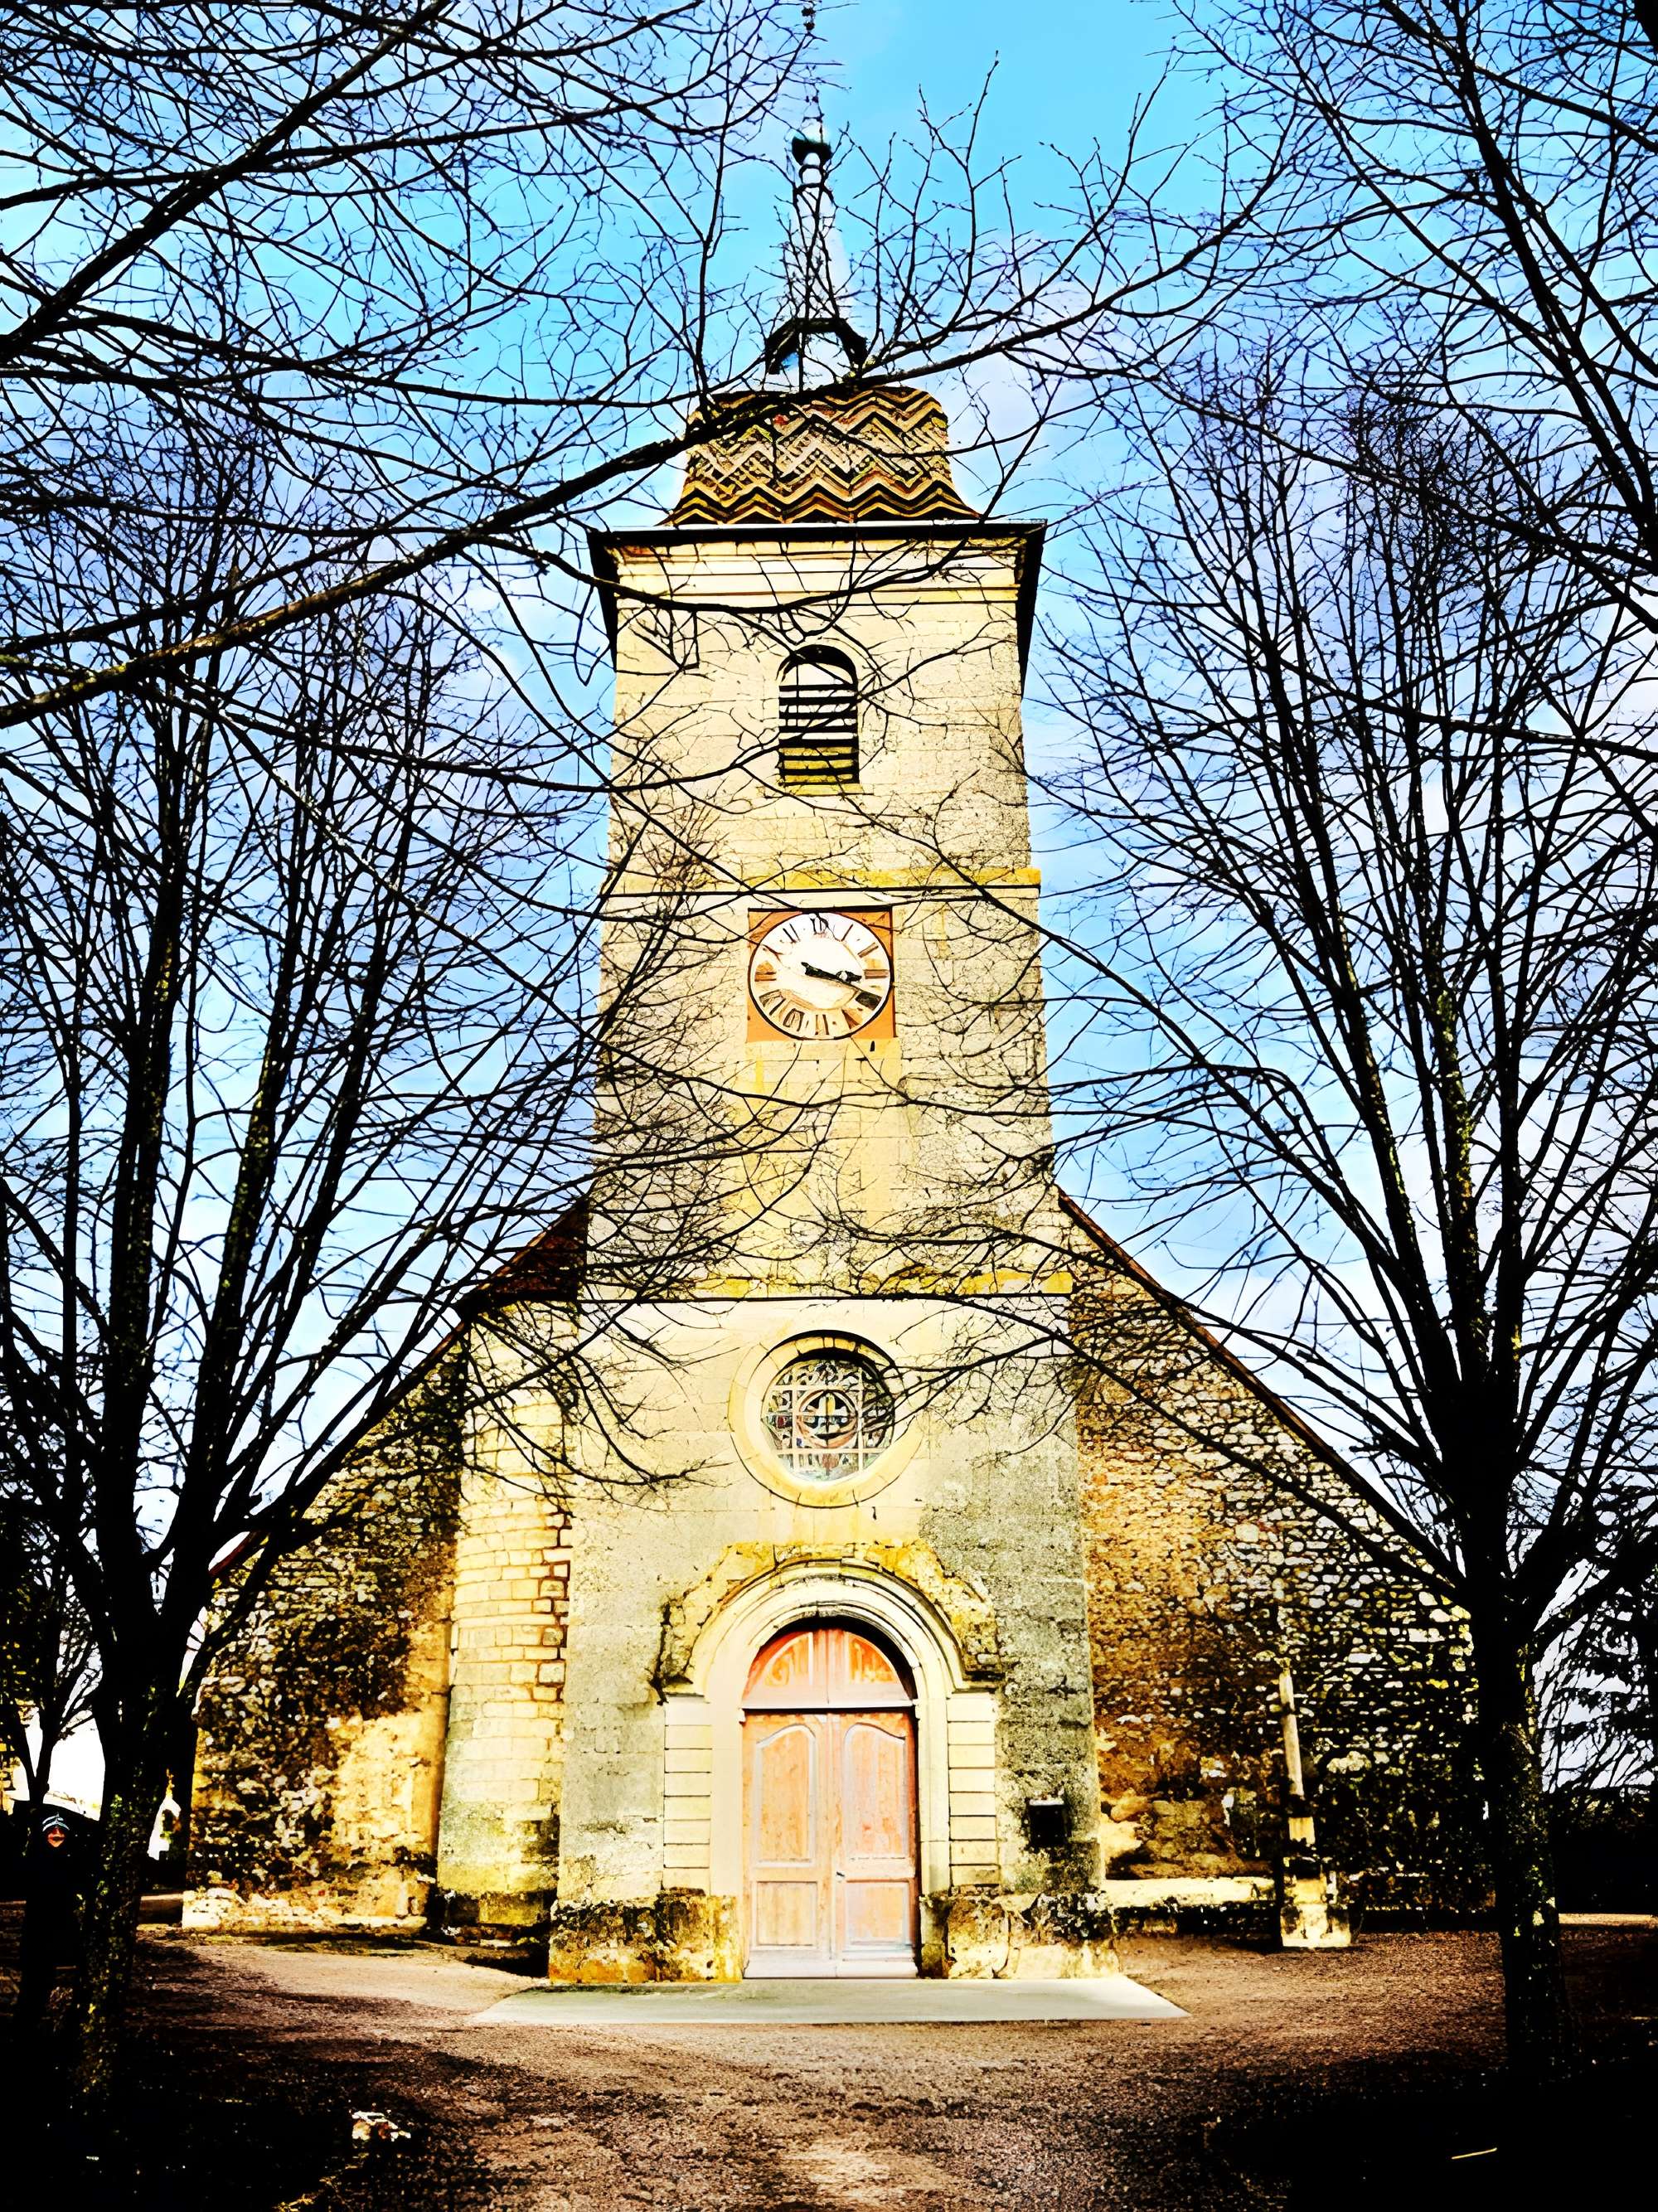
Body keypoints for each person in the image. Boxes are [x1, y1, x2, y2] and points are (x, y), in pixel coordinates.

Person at [16, 1809, 85, 2028]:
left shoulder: (74, 1862)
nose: (56, 1833)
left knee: (63, 1987)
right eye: (51, 1830)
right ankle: (26, 2029)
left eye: (61, 1830)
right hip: (37, 1934)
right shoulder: (34, 1861)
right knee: (33, 1987)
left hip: (64, 1936)